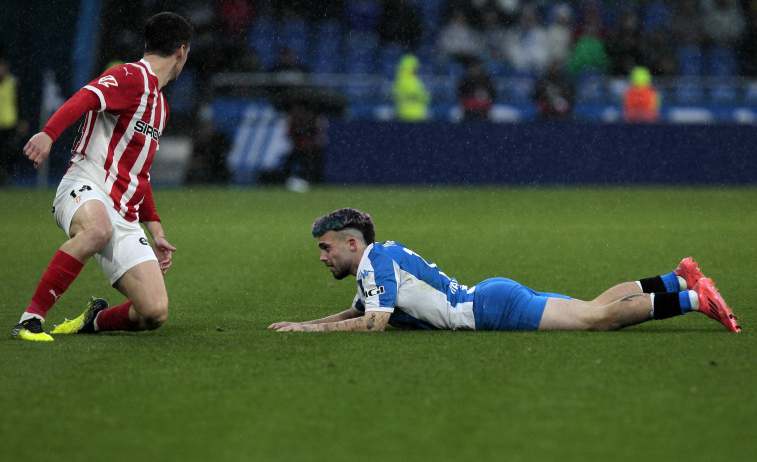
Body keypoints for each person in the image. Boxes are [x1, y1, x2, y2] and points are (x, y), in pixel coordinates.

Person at [11, 12, 193, 341]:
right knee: (97, 228)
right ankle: (30, 319)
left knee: (153, 311)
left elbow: (140, 171)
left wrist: (156, 228)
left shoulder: (161, 108)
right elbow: (86, 97)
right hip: (84, 186)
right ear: (182, 51)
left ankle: (93, 321)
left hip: (124, 214)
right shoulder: (129, 76)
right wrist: (49, 134)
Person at [269, 208, 741, 333]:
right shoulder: (375, 264)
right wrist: (303, 324)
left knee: (596, 319)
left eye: (327, 247)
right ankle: (679, 278)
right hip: (491, 298)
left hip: (491, 310)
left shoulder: (376, 264)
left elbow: (372, 323)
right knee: (593, 307)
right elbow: (354, 313)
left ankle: (696, 299)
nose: (323, 256)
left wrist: (306, 334)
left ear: (353, 243)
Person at [0, 51, 26, 186]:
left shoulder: (12, 82)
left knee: (9, 152)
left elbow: (19, 102)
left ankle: (6, 178)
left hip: (9, 123)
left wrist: (22, 120)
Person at [392, 54, 430, 122]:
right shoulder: (412, 81)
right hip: (415, 116)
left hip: (403, 115)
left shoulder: (398, 81)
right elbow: (424, 97)